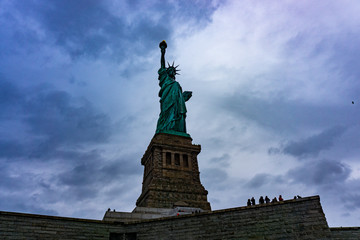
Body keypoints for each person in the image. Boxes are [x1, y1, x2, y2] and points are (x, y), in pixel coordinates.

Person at [156, 40, 192, 135]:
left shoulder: (176, 84)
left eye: (173, 70)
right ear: (167, 72)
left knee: (177, 114)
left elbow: (180, 98)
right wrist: (163, 53)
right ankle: (166, 129)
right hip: (167, 100)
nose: (172, 71)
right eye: (170, 70)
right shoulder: (165, 78)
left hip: (176, 103)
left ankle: (176, 129)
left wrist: (184, 97)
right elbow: (162, 65)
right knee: (166, 113)